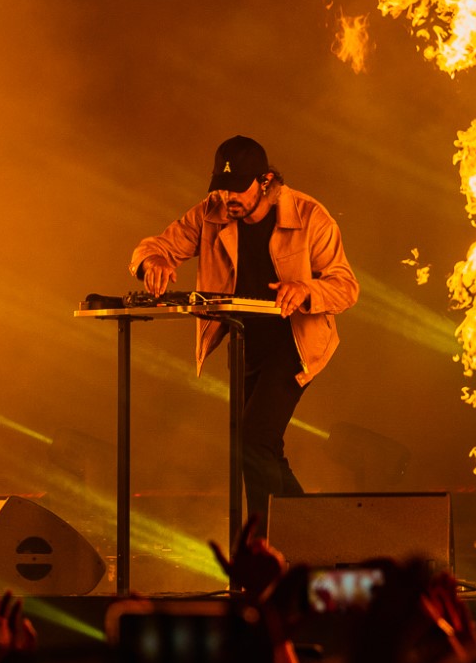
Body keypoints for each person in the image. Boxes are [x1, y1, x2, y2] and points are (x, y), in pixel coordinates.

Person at [131, 135, 360, 529]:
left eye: (238, 189)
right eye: (222, 188)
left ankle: (264, 549)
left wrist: (306, 289)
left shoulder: (310, 215)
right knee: (263, 446)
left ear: (266, 181)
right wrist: (152, 261)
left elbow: (345, 286)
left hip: (295, 343)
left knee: (253, 441)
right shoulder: (211, 211)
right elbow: (155, 246)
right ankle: (315, 536)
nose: (228, 198)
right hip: (247, 342)